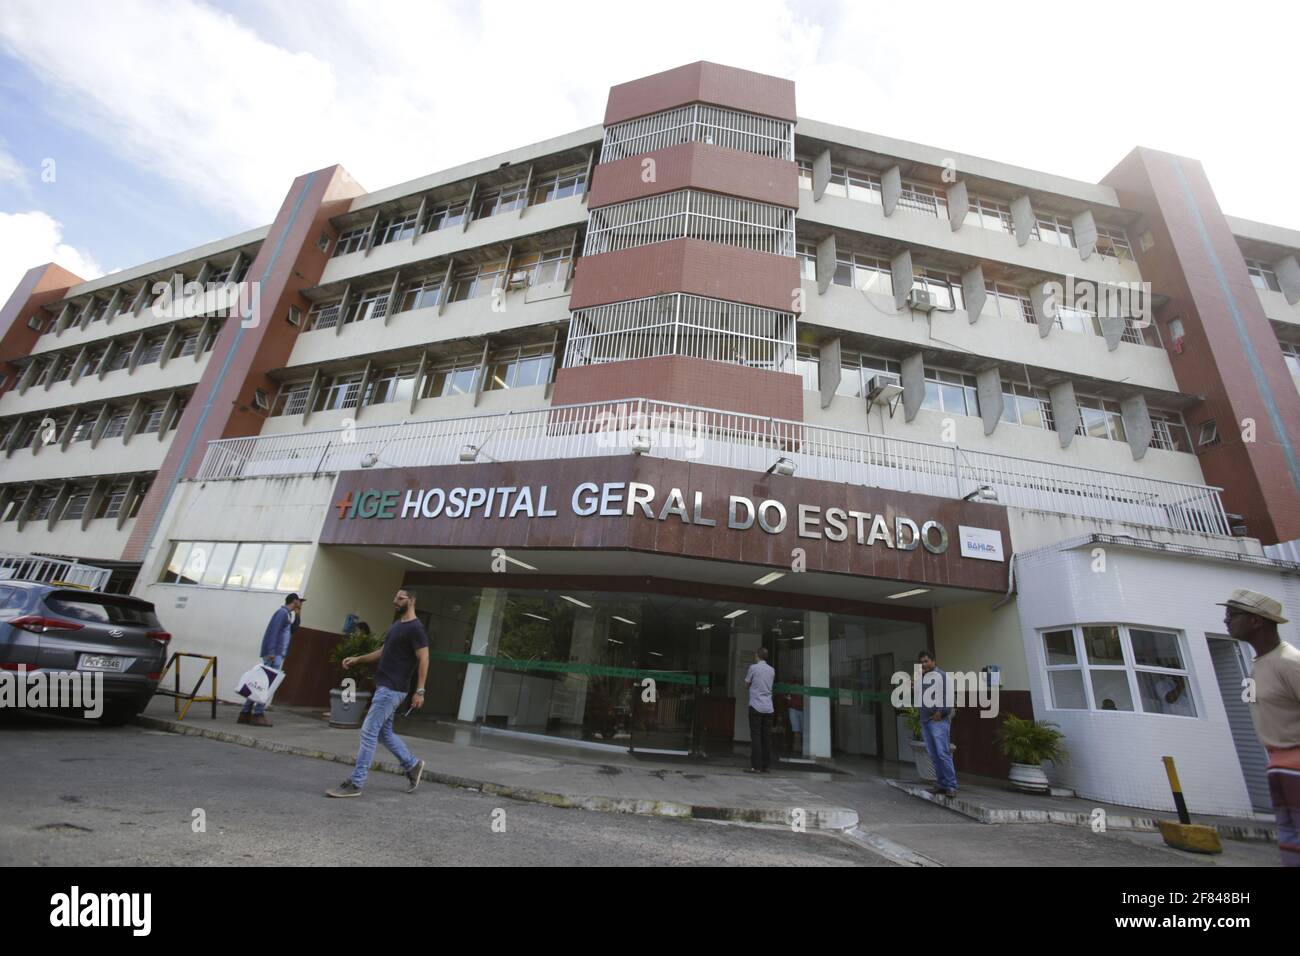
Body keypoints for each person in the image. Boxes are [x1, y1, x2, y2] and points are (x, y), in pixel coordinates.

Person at [1220, 588, 1300, 867]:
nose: (1226, 621)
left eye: (1233, 615)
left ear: (1257, 621)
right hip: (1279, 765)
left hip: (1295, 763)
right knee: (1291, 844)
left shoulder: (1289, 663)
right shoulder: (1261, 664)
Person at [327, 589, 428, 798]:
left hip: (393, 689)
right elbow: (383, 652)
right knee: (383, 733)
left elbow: (424, 658)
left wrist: (420, 690)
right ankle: (413, 765)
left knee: (368, 732)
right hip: (385, 687)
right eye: (395, 597)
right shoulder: (397, 626)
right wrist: (358, 659)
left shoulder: (416, 629)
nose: (395, 601)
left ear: (412, 601)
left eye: (401, 598)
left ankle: (356, 783)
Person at [239, 593, 302, 727]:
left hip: (277, 653)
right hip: (274, 654)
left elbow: (293, 630)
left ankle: (245, 713)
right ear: (294, 601)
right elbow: (273, 631)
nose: (301, 604)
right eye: (300, 601)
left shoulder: (288, 614)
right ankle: (258, 714)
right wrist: (272, 652)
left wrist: (298, 614)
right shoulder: (281, 613)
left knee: (260, 684)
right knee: (267, 684)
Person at [918, 650, 957, 797]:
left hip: (938, 721)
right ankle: (941, 784)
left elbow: (948, 697)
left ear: (933, 661)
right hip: (925, 720)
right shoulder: (923, 678)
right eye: (922, 662)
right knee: (933, 754)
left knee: (942, 752)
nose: (924, 664)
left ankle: (951, 785)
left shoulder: (942, 676)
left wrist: (941, 712)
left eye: (926, 661)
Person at [744, 647, 775, 774]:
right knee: (766, 737)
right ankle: (765, 765)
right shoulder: (772, 670)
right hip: (768, 707)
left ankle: (756, 766)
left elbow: (746, 684)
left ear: (757, 655)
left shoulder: (753, 668)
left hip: (756, 705)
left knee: (756, 736)